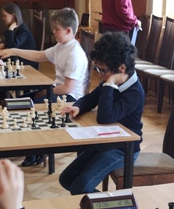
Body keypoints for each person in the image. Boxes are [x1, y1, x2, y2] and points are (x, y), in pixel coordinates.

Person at [0, 7, 88, 167]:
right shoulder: (61, 46)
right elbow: (39, 55)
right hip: (57, 91)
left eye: (56, 29)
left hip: (69, 98)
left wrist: (45, 91)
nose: (53, 32)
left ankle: (37, 150)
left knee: (29, 106)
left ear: (68, 30)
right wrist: (13, 51)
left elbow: (68, 88)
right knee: (19, 102)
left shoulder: (75, 54)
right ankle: (24, 143)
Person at [59, 32, 144, 195]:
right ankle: (101, 202)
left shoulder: (134, 93)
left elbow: (105, 117)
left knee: (80, 186)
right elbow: (92, 98)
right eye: (97, 68)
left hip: (123, 149)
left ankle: (113, 203)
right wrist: (78, 106)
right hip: (106, 141)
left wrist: (110, 84)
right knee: (66, 178)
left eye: (103, 70)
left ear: (122, 68)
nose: (99, 74)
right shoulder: (111, 79)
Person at [0, 2, 38, 69]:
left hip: (26, 65)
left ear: (13, 16)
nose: (3, 18)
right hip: (17, 61)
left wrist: (10, 30)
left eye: (5, 16)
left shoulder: (24, 31)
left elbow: (12, 48)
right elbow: (7, 42)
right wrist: (4, 43)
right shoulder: (16, 28)